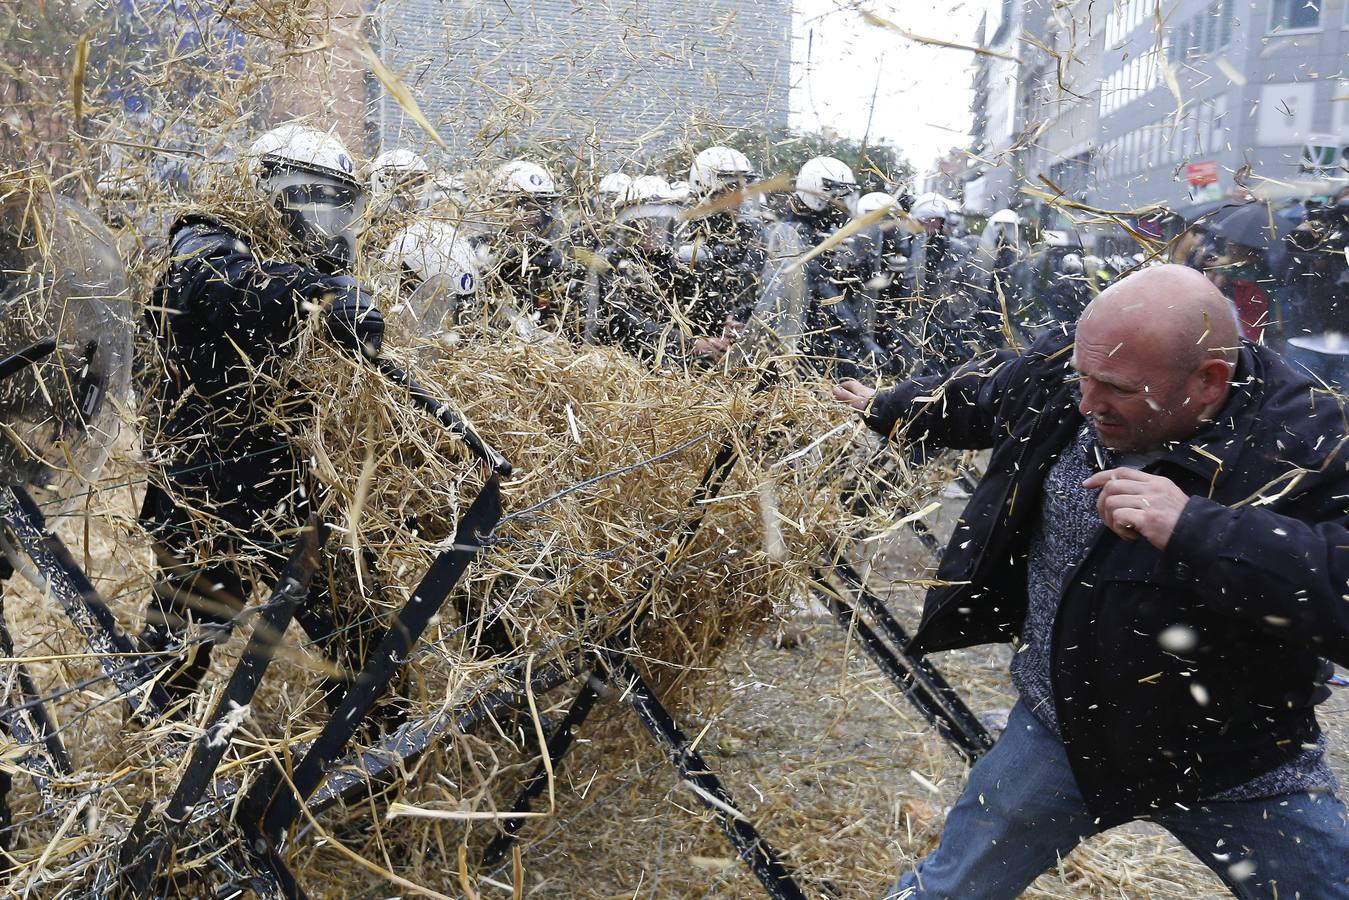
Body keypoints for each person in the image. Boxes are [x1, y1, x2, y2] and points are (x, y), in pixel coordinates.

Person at [832, 263, 1349, 899]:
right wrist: (884, 406)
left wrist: (1195, 528)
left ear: (1209, 381)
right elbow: (985, 396)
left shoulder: (1308, 440)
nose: (1085, 402)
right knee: (948, 890)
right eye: (1083, 376)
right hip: (1064, 724)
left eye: (1117, 390)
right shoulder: (1078, 371)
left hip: (1231, 755)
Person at [138, 123, 387, 708]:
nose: (322, 226)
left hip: (283, 479)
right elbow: (219, 286)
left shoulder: (290, 264)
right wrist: (322, 300)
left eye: (334, 208)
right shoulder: (207, 237)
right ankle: (154, 746)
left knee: (357, 627)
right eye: (310, 201)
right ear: (266, 193)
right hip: (204, 484)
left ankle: (370, 755)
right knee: (183, 640)